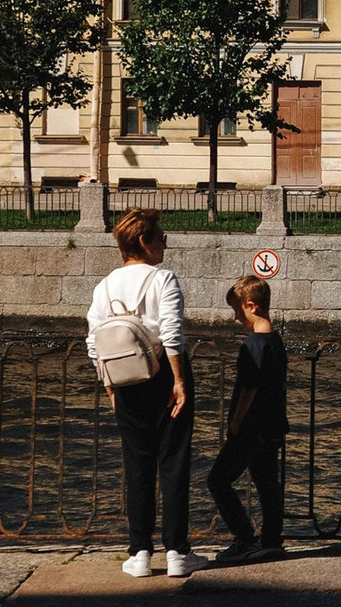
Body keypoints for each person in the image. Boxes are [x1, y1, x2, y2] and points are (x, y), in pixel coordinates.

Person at [88, 208, 205, 579]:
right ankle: (176, 552)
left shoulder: (104, 286)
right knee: (173, 463)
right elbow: (172, 334)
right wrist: (180, 381)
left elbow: (94, 342)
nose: (164, 246)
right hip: (163, 379)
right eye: (161, 239)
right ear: (144, 242)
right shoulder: (162, 279)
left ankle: (139, 553)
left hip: (123, 380)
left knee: (136, 467)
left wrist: (109, 386)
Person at [208, 276, 288, 566]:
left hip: (251, 428)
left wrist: (236, 422)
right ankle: (271, 541)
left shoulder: (253, 345)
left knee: (217, 480)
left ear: (251, 306)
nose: (236, 317)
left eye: (237, 311)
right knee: (267, 484)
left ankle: (244, 537)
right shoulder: (275, 342)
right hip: (273, 425)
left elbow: (249, 388)